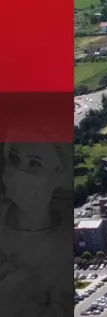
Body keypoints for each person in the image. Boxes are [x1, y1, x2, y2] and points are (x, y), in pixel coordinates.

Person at [0, 135, 71, 317]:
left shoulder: (65, 252)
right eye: (14, 159)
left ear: (58, 175)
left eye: (34, 164)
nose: (19, 172)